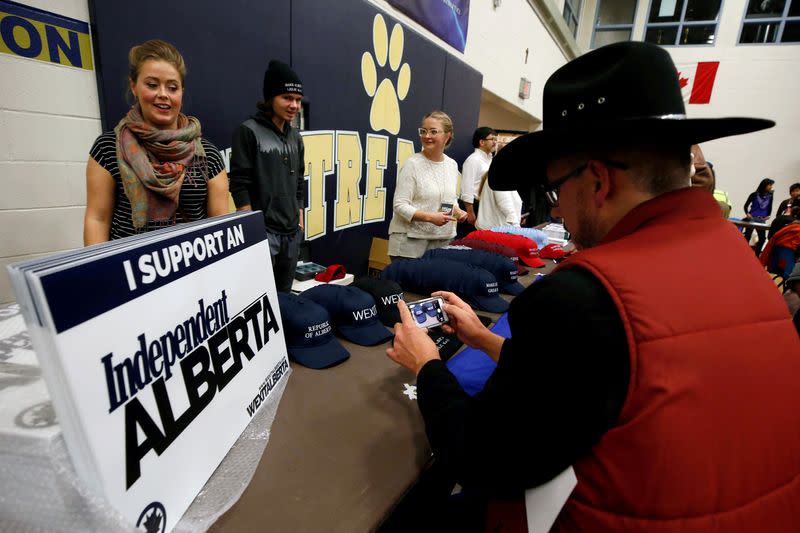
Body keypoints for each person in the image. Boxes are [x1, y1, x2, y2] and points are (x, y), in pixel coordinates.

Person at [387, 41, 800, 530]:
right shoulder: (741, 258)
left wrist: (428, 365)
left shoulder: (588, 294)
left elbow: (479, 456)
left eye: (556, 188)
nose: (556, 208)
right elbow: (597, 378)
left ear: (599, 181)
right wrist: (483, 338)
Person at [84, 40, 229, 244]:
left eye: (172, 87)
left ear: (181, 92)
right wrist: (100, 273)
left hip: (193, 271)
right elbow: (97, 220)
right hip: (129, 270)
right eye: (152, 85)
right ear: (134, 86)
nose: (163, 94)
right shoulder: (108, 149)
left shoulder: (207, 155)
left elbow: (220, 228)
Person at [229, 60, 306, 292]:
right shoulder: (248, 131)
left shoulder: (295, 137)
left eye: (298, 100)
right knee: (259, 295)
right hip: (264, 232)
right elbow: (239, 183)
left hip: (292, 233)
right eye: (287, 98)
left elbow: (299, 182)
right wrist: (252, 229)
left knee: (284, 298)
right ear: (270, 98)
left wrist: (299, 217)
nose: (294, 105)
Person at [387, 111, 467, 259]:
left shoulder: (451, 165)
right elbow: (399, 205)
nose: (426, 136)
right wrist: (430, 217)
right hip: (409, 244)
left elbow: (448, 199)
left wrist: (456, 210)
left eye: (433, 131)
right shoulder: (413, 164)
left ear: (447, 135)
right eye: (423, 131)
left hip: (442, 242)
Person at [460, 127, 497, 228]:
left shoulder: (490, 160)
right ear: (481, 142)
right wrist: (470, 213)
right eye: (492, 139)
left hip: (485, 206)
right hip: (474, 207)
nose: (495, 142)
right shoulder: (473, 160)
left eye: (495, 139)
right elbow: (466, 189)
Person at [743, 178, 775, 255]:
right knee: (747, 236)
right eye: (770, 185)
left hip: (762, 219)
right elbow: (746, 205)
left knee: (762, 239)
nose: (771, 187)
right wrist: (747, 213)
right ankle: (743, 253)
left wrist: (769, 215)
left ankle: (756, 256)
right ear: (765, 185)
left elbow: (770, 207)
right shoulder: (754, 194)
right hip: (752, 218)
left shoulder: (770, 196)